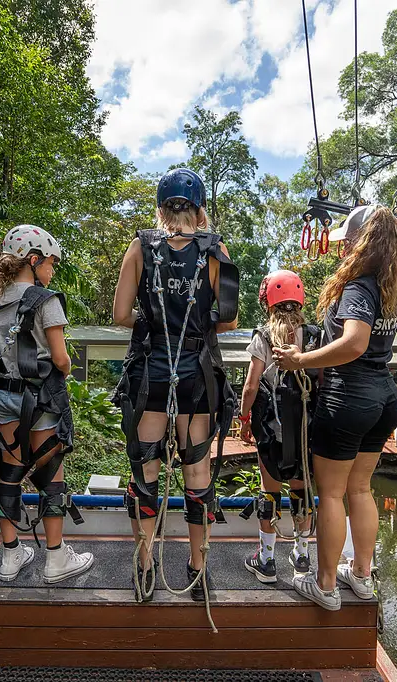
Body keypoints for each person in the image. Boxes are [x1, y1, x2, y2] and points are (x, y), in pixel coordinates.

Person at [111, 168, 239, 603]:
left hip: (150, 375)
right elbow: (230, 318)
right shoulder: (216, 249)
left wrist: (153, 322)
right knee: (198, 473)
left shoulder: (140, 246)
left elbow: (121, 313)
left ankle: (145, 567)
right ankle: (197, 572)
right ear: (199, 209)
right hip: (196, 380)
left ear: (161, 208)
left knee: (146, 474)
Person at [274, 205, 397, 611]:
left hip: (348, 396)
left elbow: (354, 343)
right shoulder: (395, 284)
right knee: (361, 488)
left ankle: (327, 585)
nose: (342, 249)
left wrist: (299, 360)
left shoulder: (358, 287)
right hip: (383, 395)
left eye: (346, 242)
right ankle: (362, 576)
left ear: (360, 241)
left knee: (331, 494)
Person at [0, 224, 94, 584]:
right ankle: (56, 559)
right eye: (51, 263)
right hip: (40, 400)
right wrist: (69, 367)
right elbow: (60, 359)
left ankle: (11, 555)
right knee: (50, 474)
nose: (53, 269)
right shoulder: (46, 300)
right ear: (34, 259)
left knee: (9, 472)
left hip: (1, 397)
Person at [238, 270, 320, 583]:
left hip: (271, 430)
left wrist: (244, 420)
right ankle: (301, 555)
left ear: (268, 300)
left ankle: (267, 560)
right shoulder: (313, 336)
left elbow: (250, 385)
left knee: (269, 491)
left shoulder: (263, 336)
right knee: (300, 490)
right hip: (304, 431)